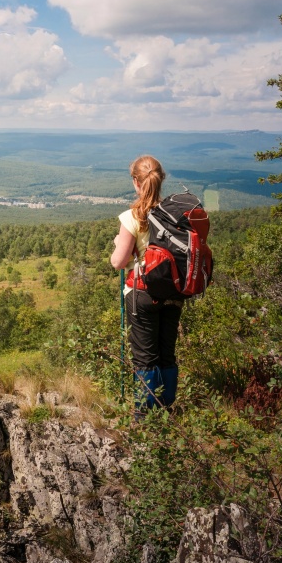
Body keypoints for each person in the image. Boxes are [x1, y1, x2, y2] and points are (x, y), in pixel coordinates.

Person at [110, 155, 182, 418]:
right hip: (173, 292)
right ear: (161, 179)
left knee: (145, 358)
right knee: (166, 355)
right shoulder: (175, 214)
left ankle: (144, 418)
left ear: (135, 182)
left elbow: (119, 262)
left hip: (142, 294)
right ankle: (167, 411)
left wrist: (117, 247)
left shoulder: (133, 216)